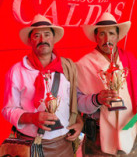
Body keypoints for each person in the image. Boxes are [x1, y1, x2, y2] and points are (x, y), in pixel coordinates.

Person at [2, 14, 84, 156]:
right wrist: (32, 118)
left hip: (64, 143)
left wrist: (79, 121)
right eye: (37, 36)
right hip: (31, 145)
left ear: (53, 39)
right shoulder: (17, 71)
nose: (42, 40)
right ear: (30, 40)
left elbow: (73, 102)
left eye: (47, 35)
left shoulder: (67, 67)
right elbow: (7, 110)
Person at [76, 12, 137, 156]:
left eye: (111, 34)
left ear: (117, 36)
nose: (107, 39)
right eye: (102, 34)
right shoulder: (83, 64)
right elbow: (77, 102)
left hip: (129, 131)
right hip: (98, 136)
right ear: (96, 37)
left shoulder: (130, 60)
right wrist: (97, 99)